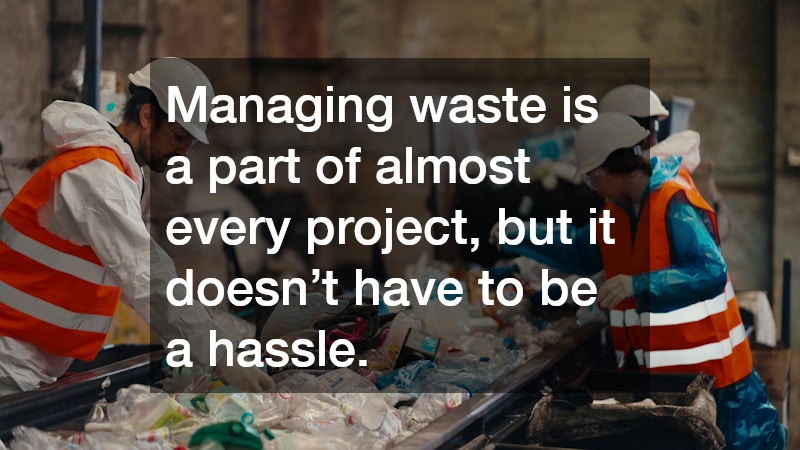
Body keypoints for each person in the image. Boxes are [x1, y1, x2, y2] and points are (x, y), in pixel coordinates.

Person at [492, 112, 786, 448]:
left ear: (611, 167)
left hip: (715, 380)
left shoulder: (673, 202)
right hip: (668, 381)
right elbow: (581, 250)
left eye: (591, 176)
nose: (591, 185)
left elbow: (711, 271)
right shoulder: (618, 211)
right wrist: (523, 234)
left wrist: (637, 285)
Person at [0, 57, 274, 394]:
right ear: (147, 116)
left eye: (189, 143)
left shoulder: (117, 171)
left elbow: (137, 276)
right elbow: (145, 275)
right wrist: (222, 357)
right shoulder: (96, 176)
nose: (182, 153)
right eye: (178, 136)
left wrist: (206, 322)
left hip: (27, 359)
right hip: (10, 358)